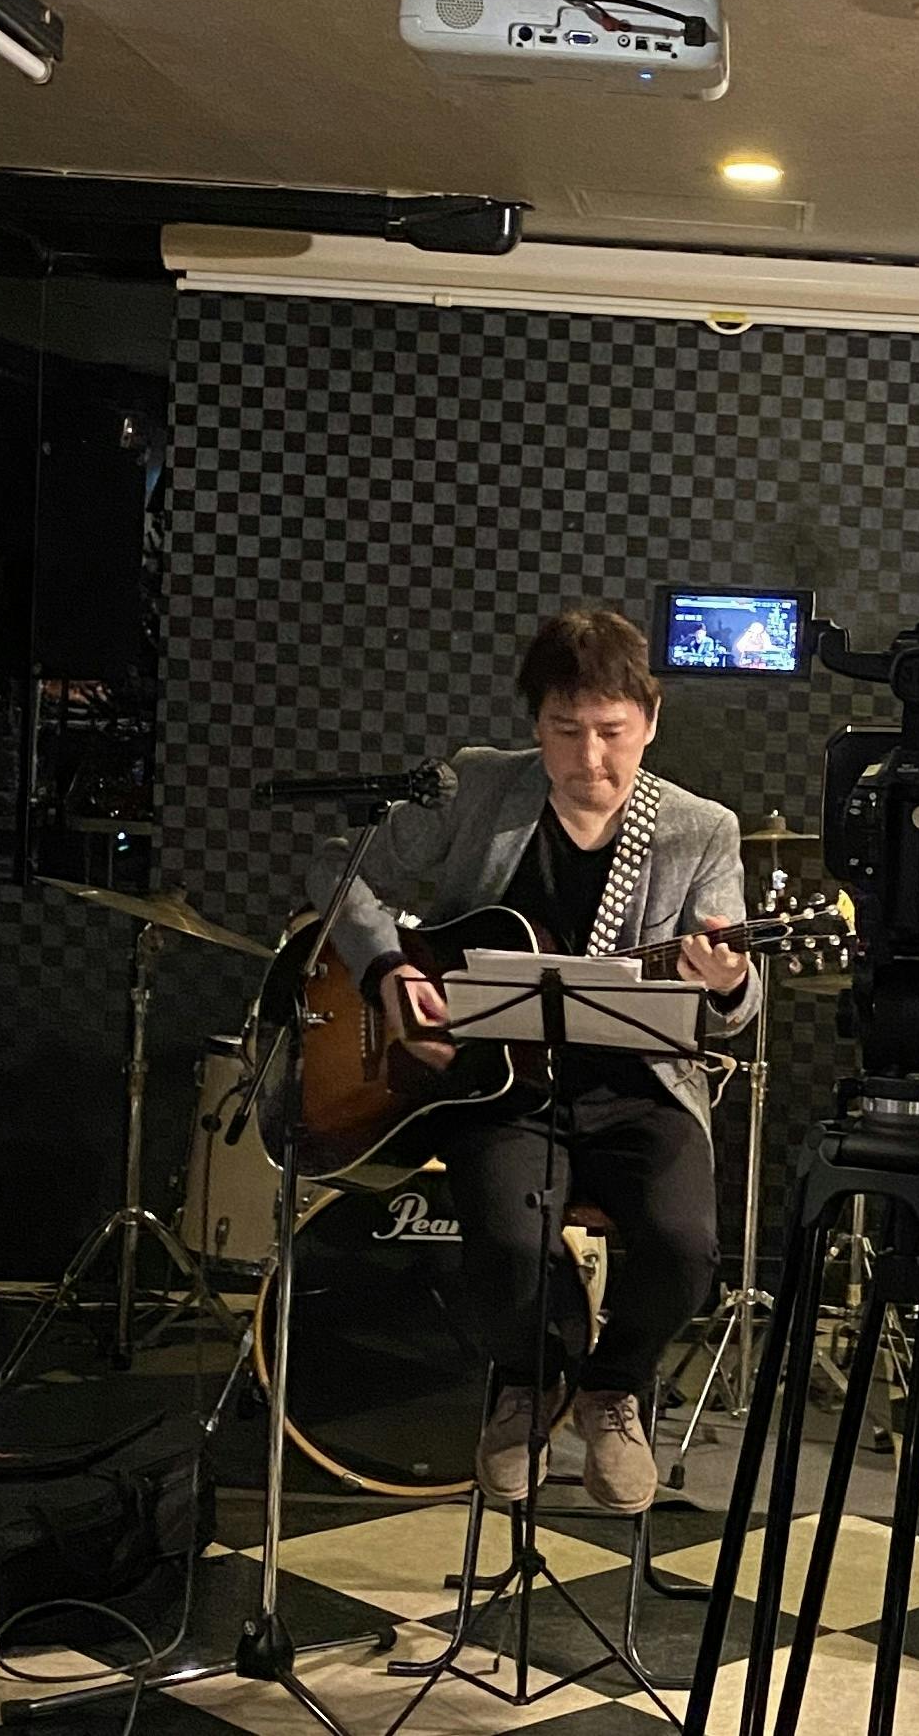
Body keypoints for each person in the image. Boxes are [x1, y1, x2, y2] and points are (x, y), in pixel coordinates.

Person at [306, 608, 757, 1513]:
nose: (590, 758)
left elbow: (738, 1007)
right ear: (535, 724)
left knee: (685, 1248)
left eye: (612, 732)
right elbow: (335, 870)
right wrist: (389, 969)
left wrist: (727, 979)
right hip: (496, 1088)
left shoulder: (700, 828)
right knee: (509, 1246)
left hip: (638, 1089)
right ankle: (526, 1380)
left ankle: (614, 1388)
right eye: (565, 731)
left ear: (651, 720)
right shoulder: (479, 787)